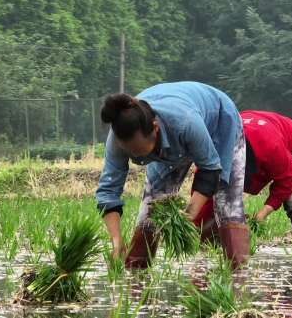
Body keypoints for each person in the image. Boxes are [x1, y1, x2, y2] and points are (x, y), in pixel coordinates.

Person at [96, 82, 250, 269]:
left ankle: (238, 273)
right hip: (170, 145)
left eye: (141, 152)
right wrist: (116, 241)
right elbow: (108, 192)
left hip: (219, 123)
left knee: (227, 205)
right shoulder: (117, 139)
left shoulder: (185, 123)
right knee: (152, 209)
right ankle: (137, 275)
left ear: (155, 128)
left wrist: (188, 215)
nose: (137, 157)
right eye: (131, 153)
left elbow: (210, 171)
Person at [192, 110, 292, 251]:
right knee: (219, 198)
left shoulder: (271, 147)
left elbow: (287, 180)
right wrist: (195, 225)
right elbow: (205, 189)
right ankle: (209, 248)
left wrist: (261, 214)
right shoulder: (216, 149)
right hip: (253, 135)